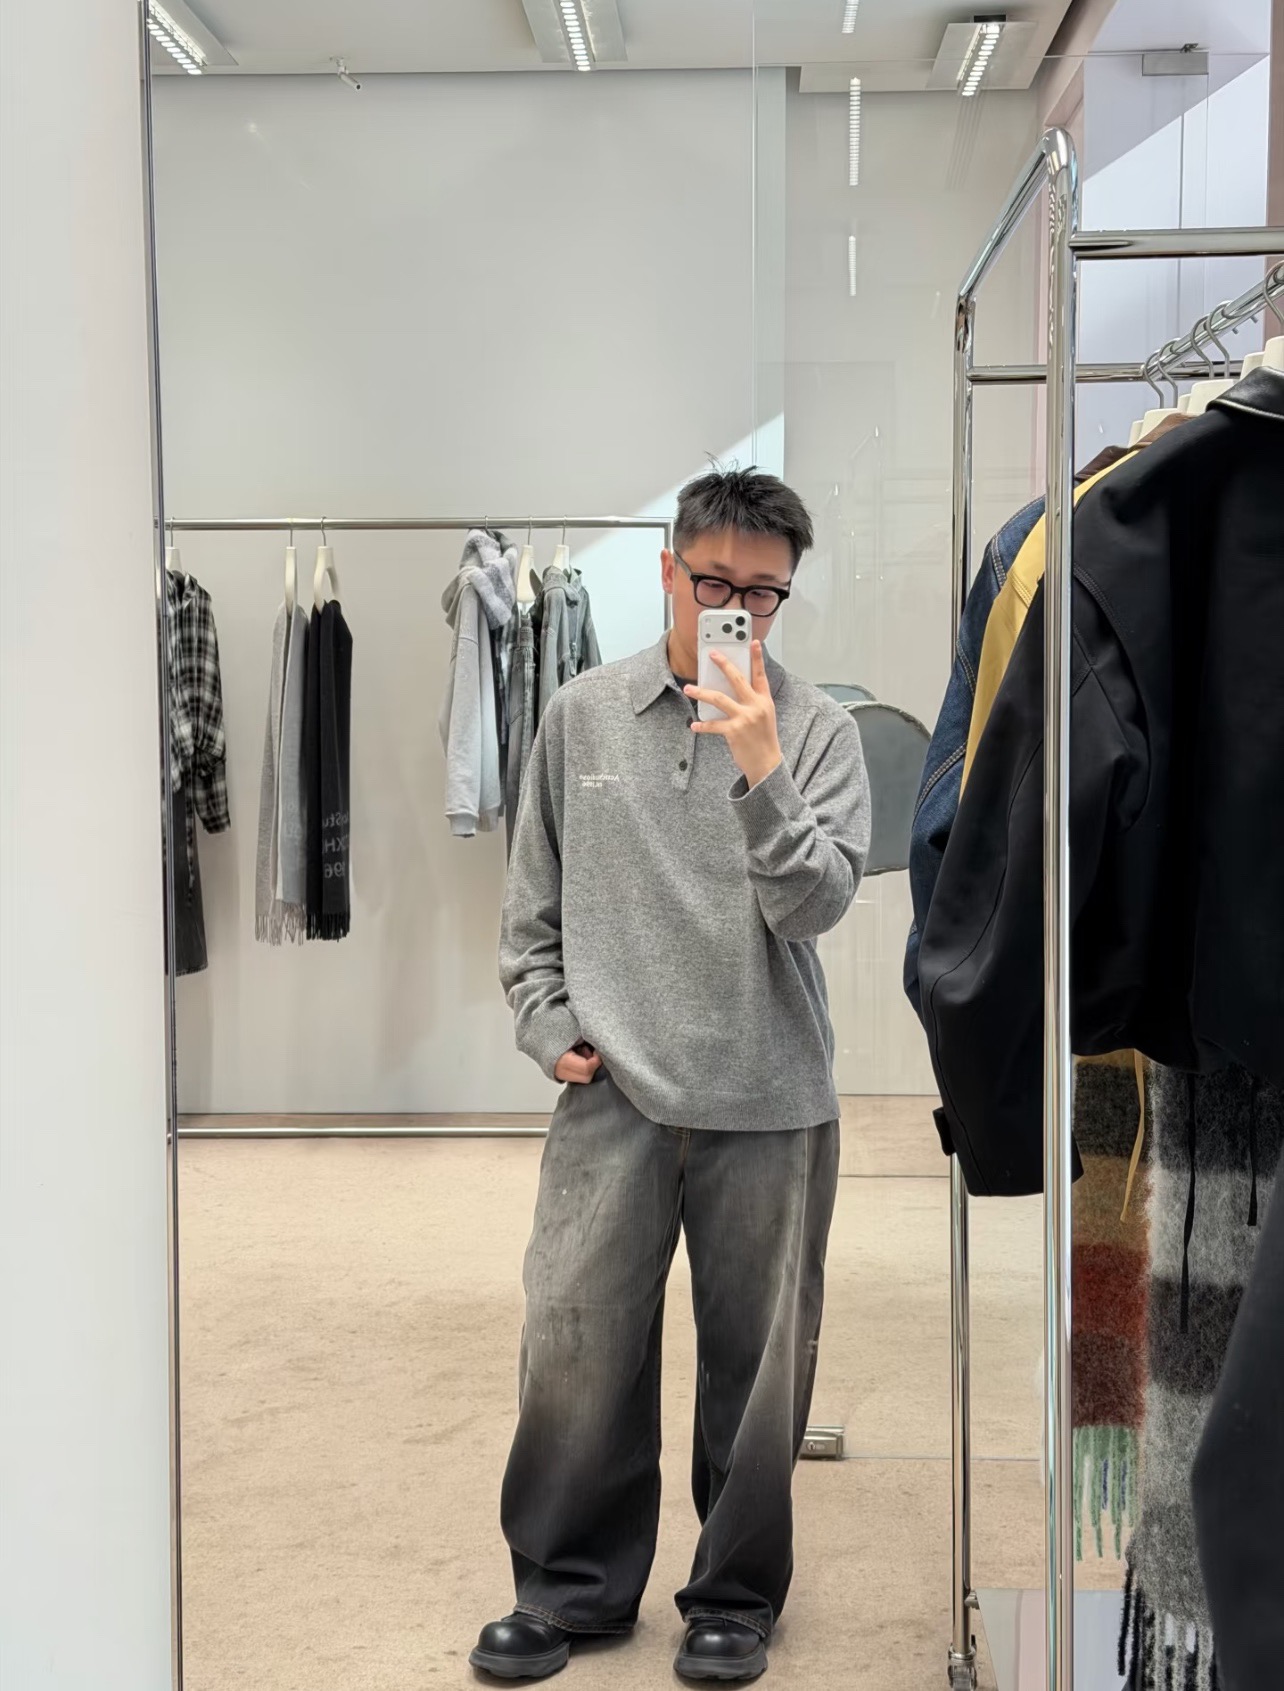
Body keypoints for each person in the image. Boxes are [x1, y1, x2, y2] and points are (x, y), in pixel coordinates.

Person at [470, 468, 871, 1683]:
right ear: (666, 571)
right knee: (576, 1343)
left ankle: (734, 1596)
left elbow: (816, 904)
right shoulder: (580, 715)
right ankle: (569, 1586)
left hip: (771, 1097)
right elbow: (531, 904)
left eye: (765, 591)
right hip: (614, 1094)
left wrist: (760, 768)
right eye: (714, 583)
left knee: (759, 1371)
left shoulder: (821, 731)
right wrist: (547, 1026)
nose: (736, 608)